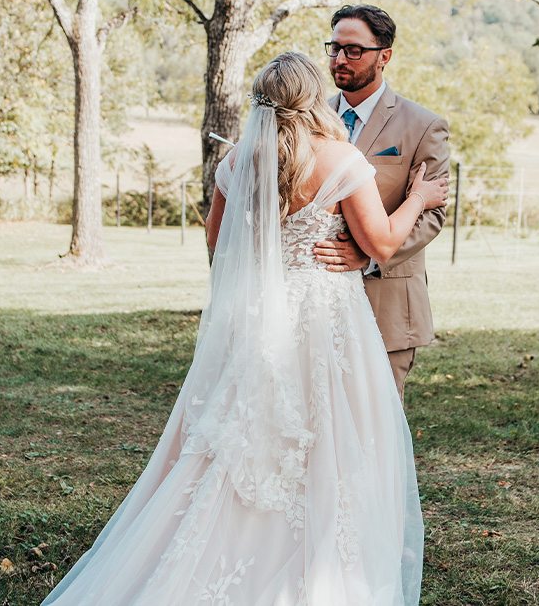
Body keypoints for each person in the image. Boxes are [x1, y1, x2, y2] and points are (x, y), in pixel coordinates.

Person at [41, 51, 447, 605]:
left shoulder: (237, 162)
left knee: (242, 435)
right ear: (311, 97)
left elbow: (217, 242)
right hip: (326, 317)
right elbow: (379, 243)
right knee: (331, 436)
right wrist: (420, 199)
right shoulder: (341, 159)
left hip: (260, 319)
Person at [313, 4, 450, 406]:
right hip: (313, 301)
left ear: (384, 56)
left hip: (386, 302)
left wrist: (369, 255)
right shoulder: (310, 117)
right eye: (334, 48)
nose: (340, 59)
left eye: (353, 50)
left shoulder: (423, 125)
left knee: (376, 423)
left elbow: (433, 213)